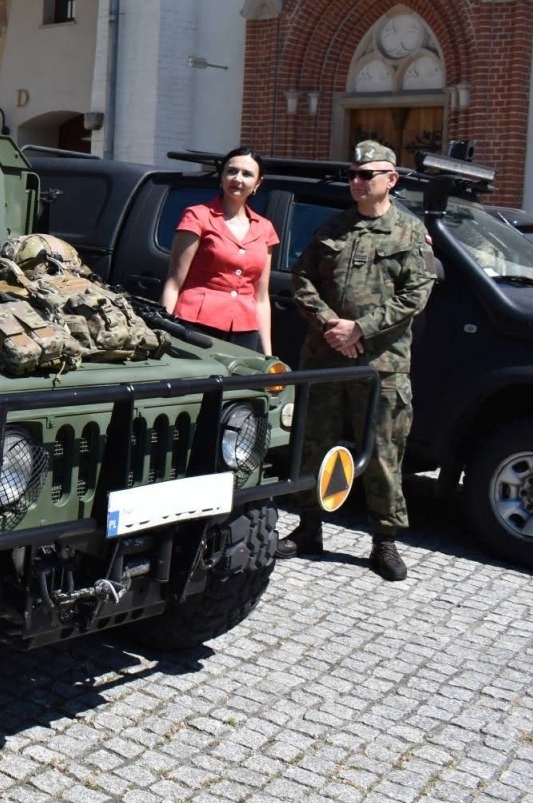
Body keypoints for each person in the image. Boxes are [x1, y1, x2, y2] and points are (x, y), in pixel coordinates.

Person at [276, 141, 435, 581]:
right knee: (313, 442)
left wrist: (359, 329)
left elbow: (416, 295)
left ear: (391, 179)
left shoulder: (409, 232)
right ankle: (308, 527)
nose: (357, 182)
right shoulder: (333, 228)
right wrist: (332, 325)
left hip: (379, 365)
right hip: (326, 358)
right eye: (353, 174)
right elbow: (302, 279)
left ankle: (384, 541)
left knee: (383, 451)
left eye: (367, 174)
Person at [161, 145, 279, 354]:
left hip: (244, 331)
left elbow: (261, 297)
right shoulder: (197, 216)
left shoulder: (265, 228)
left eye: (247, 174)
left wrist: (267, 353)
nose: (237, 179)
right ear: (222, 176)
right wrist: (164, 332)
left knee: (238, 387)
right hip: (194, 325)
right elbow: (174, 283)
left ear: (257, 183)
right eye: (231, 171)